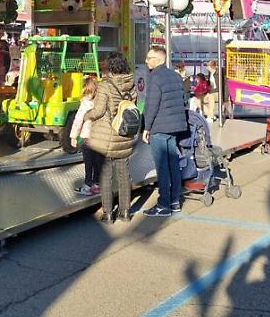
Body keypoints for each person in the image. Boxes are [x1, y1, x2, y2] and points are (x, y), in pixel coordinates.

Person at [85, 54, 136, 223]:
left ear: (110, 66)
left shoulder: (105, 85)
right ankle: (125, 212)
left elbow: (99, 111)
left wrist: (87, 115)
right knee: (124, 175)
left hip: (106, 136)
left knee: (106, 176)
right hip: (124, 133)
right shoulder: (131, 83)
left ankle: (108, 214)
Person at [141, 46, 188, 217]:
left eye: (149, 58)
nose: (146, 61)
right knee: (173, 165)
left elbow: (151, 104)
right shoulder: (175, 76)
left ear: (159, 60)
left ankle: (163, 204)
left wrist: (146, 128)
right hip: (175, 127)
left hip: (159, 128)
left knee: (162, 168)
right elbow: (183, 99)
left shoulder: (155, 77)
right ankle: (175, 201)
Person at [70, 76, 102, 196]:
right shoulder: (101, 102)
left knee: (88, 163)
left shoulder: (85, 103)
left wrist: (73, 136)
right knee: (98, 162)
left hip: (87, 137)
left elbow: (78, 120)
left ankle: (88, 186)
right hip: (99, 137)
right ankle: (97, 184)